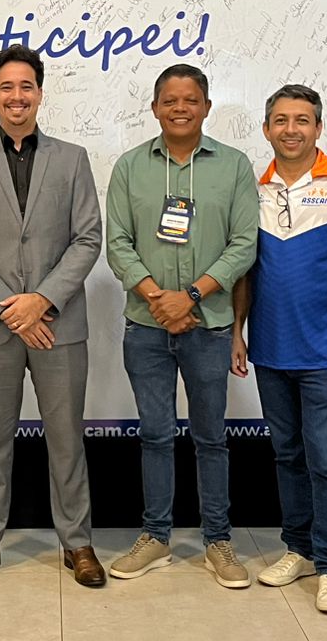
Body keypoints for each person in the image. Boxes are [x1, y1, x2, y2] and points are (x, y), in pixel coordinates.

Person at [0, 45, 106, 587]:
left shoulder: (72, 158)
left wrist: (42, 300)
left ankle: (78, 542)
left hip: (59, 323)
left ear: (40, 92)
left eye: (26, 86)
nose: (17, 96)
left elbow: (88, 239)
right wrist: (13, 309)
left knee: (67, 439)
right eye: (7, 87)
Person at [105, 63, 259, 587]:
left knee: (211, 438)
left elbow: (244, 244)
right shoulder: (130, 166)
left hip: (209, 325)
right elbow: (117, 242)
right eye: (169, 100)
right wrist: (158, 298)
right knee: (154, 435)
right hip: (145, 327)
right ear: (154, 108)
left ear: (206, 107)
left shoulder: (234, 166)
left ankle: (218, 541)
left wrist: (190, 296)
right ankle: (156, 537)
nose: (179, 108)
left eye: (190, 100)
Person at [232, 84, 327, 614]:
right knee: (288, 456)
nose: (290, 129)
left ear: (319, 128)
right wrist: (237, 331)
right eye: (280, 120)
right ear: (266, 129)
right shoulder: (253, 187)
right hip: (271, 351)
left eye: (301, 120)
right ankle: (298, 549)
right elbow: (245, 270)